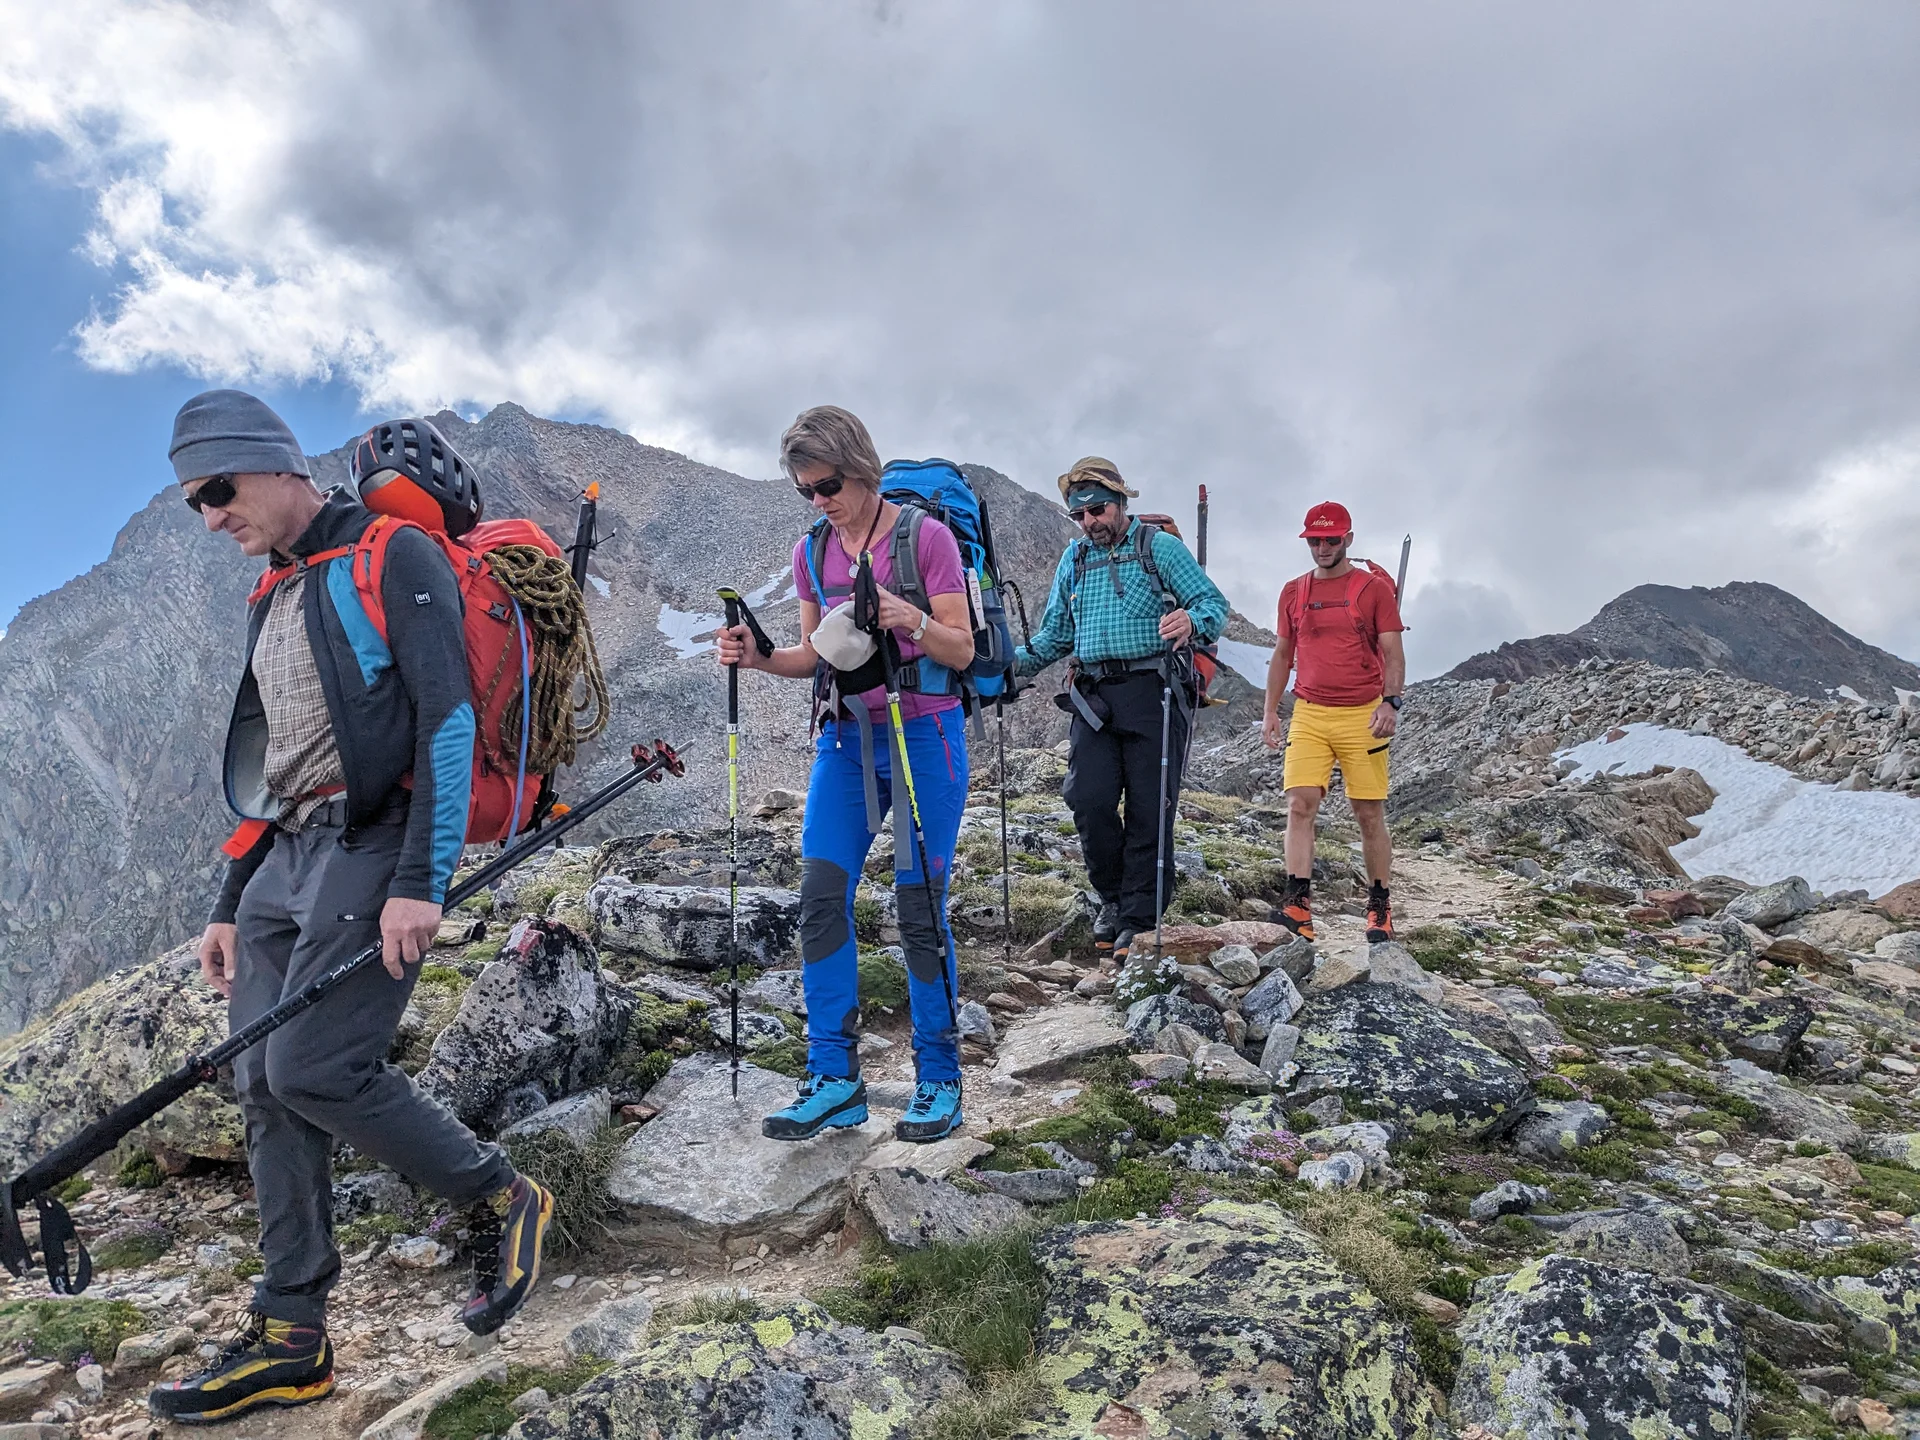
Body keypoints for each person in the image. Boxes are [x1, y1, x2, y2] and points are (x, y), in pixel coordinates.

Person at [152, 391, 552, 1426]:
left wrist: (419, 883)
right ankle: (292, 1337)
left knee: (317, 1067)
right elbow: (273, 764)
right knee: (260, 1083)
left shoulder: (392, 555)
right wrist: (230, 901)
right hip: (285, 859)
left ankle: (499, 1194)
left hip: (374, 847)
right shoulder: (272, 593)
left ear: (271, 464)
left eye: (218, 491)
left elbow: (448, 722)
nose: (210, 518)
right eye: (194, 502)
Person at [715, 405, 977, 1143]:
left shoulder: (925, 539)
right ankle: (834, 1079)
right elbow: (813, 656)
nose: (819, 500)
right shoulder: (812, 554)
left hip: (925, 734)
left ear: (860, 468)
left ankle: (940, 1079)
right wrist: (757, 656)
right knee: (820, 897)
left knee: (919, 903)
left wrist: (910, 620)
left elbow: (961, 649)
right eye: (805, 490)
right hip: (845, 739)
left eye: (827, 484)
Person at [1016, 458, 1229, 957]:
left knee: (1150, 806)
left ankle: (1139, 915)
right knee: (1087, 799)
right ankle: (1112, 898)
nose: (1090, 520)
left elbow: (1212, 605)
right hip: (1093, 696)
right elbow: (1056, 635)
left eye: (1098, 508)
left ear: (1121, 501)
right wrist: (1008, 667)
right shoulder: (1075, 560)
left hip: (1155, 689)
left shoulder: (1161, 549)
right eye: (1080, 514)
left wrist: (1191, 622)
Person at [1261, 500, 1406, 945]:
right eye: (1315, 540)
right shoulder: (1294, 591)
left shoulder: (1372, 590)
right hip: (1309, 712)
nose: (1322, 547)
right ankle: (1297, 905)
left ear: (1348, 539)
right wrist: (1270, 710)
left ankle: (1379, 905)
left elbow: (1394, 654)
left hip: (1363, 715)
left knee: (1367, 813)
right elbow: (1284, 655)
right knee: (1300, 802)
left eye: (1331, 539)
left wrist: (1391, 703)